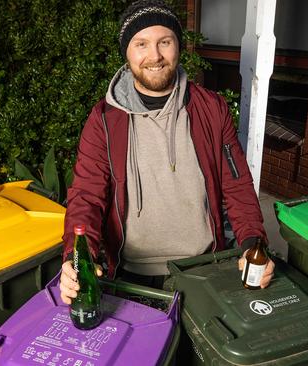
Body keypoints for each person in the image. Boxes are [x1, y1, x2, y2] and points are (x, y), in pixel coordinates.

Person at [59, 0, 274, 304]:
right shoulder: (105, 120)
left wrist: (255, 244)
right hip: (131, 274)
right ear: (127, 53)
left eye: (165, 42)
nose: (155, 56)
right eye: (141, 44)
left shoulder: (211, 109)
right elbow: (87, 196)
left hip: (202, 266)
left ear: (178, 46)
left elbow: (236, 186)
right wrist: (76, 257)